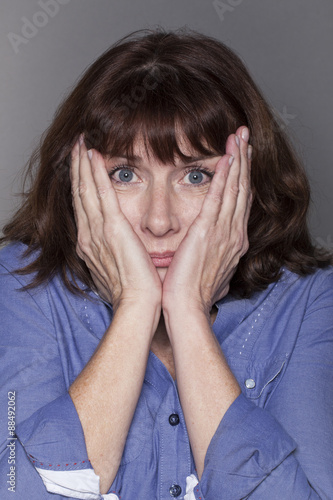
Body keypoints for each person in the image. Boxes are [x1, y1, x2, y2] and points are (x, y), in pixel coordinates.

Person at [0, 28, 332, 500]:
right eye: (125, 174)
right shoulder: (20, 286)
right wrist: (136, 306)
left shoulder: (310, 304)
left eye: (195, 176)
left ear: (247, 185)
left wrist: (187, 312)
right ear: (77, 181)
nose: (159, 221)